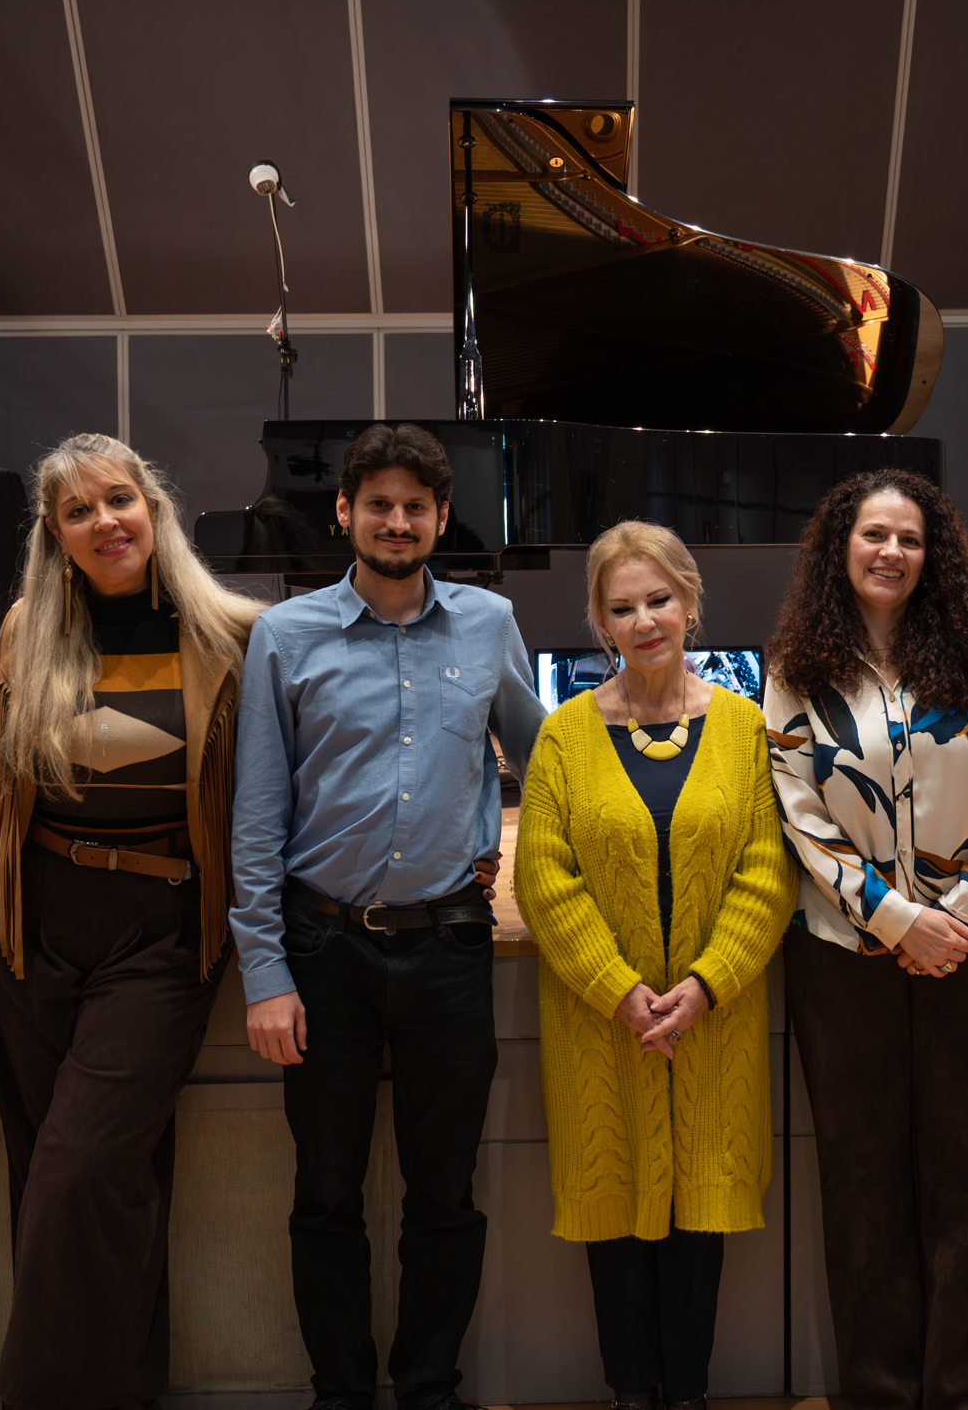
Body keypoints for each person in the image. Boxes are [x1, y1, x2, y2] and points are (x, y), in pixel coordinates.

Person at [231, 422, 549, 1410]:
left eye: (416, 506)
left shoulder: (490, 624)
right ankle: (339, 1393)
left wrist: (497, 840)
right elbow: (257, 813)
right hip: (321, 947)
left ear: (442, 518)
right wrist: (265, 972)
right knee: (325, 1194)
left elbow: (548, 764)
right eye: (379, 504)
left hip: (449, 945)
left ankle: (428, 1389)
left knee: (445, 1194)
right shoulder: (285, 636)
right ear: (345, 512)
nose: (398, 521)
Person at [0, 433, 264, 1410]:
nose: (104, 521)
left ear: (155, 509)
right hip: (32, 926)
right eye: (78, 511)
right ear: (55, 536)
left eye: (119, 499)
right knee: (88, 1181)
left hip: (161, 928)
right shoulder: (25, 632)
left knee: (77, 1169)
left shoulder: (233, 635)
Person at [763, 468, 968, 1410]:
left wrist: (955, 916)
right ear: (840, 547)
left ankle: (961, 1393)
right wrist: (895, 919)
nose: (891, 552)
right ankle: (878, 1395)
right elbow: (798, 809)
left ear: (935, 553)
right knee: (863, 1178)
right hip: (845, 956)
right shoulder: (796, 669)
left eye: (910, 538)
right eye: (874, 535)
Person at [516, 521, 794, 1410]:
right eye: (622, 606)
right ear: (600, 621)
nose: (644, 621)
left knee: (698, 1222)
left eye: (659, 600)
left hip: (715, 1020)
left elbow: (767, 870)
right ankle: (631, 1393)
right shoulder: (563, 736)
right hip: (601, 1025)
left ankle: (690, 1394)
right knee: (615, 1214)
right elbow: (544, 877)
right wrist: (619, 990)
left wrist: (706, 984)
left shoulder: (745, 728)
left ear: (690, 602)